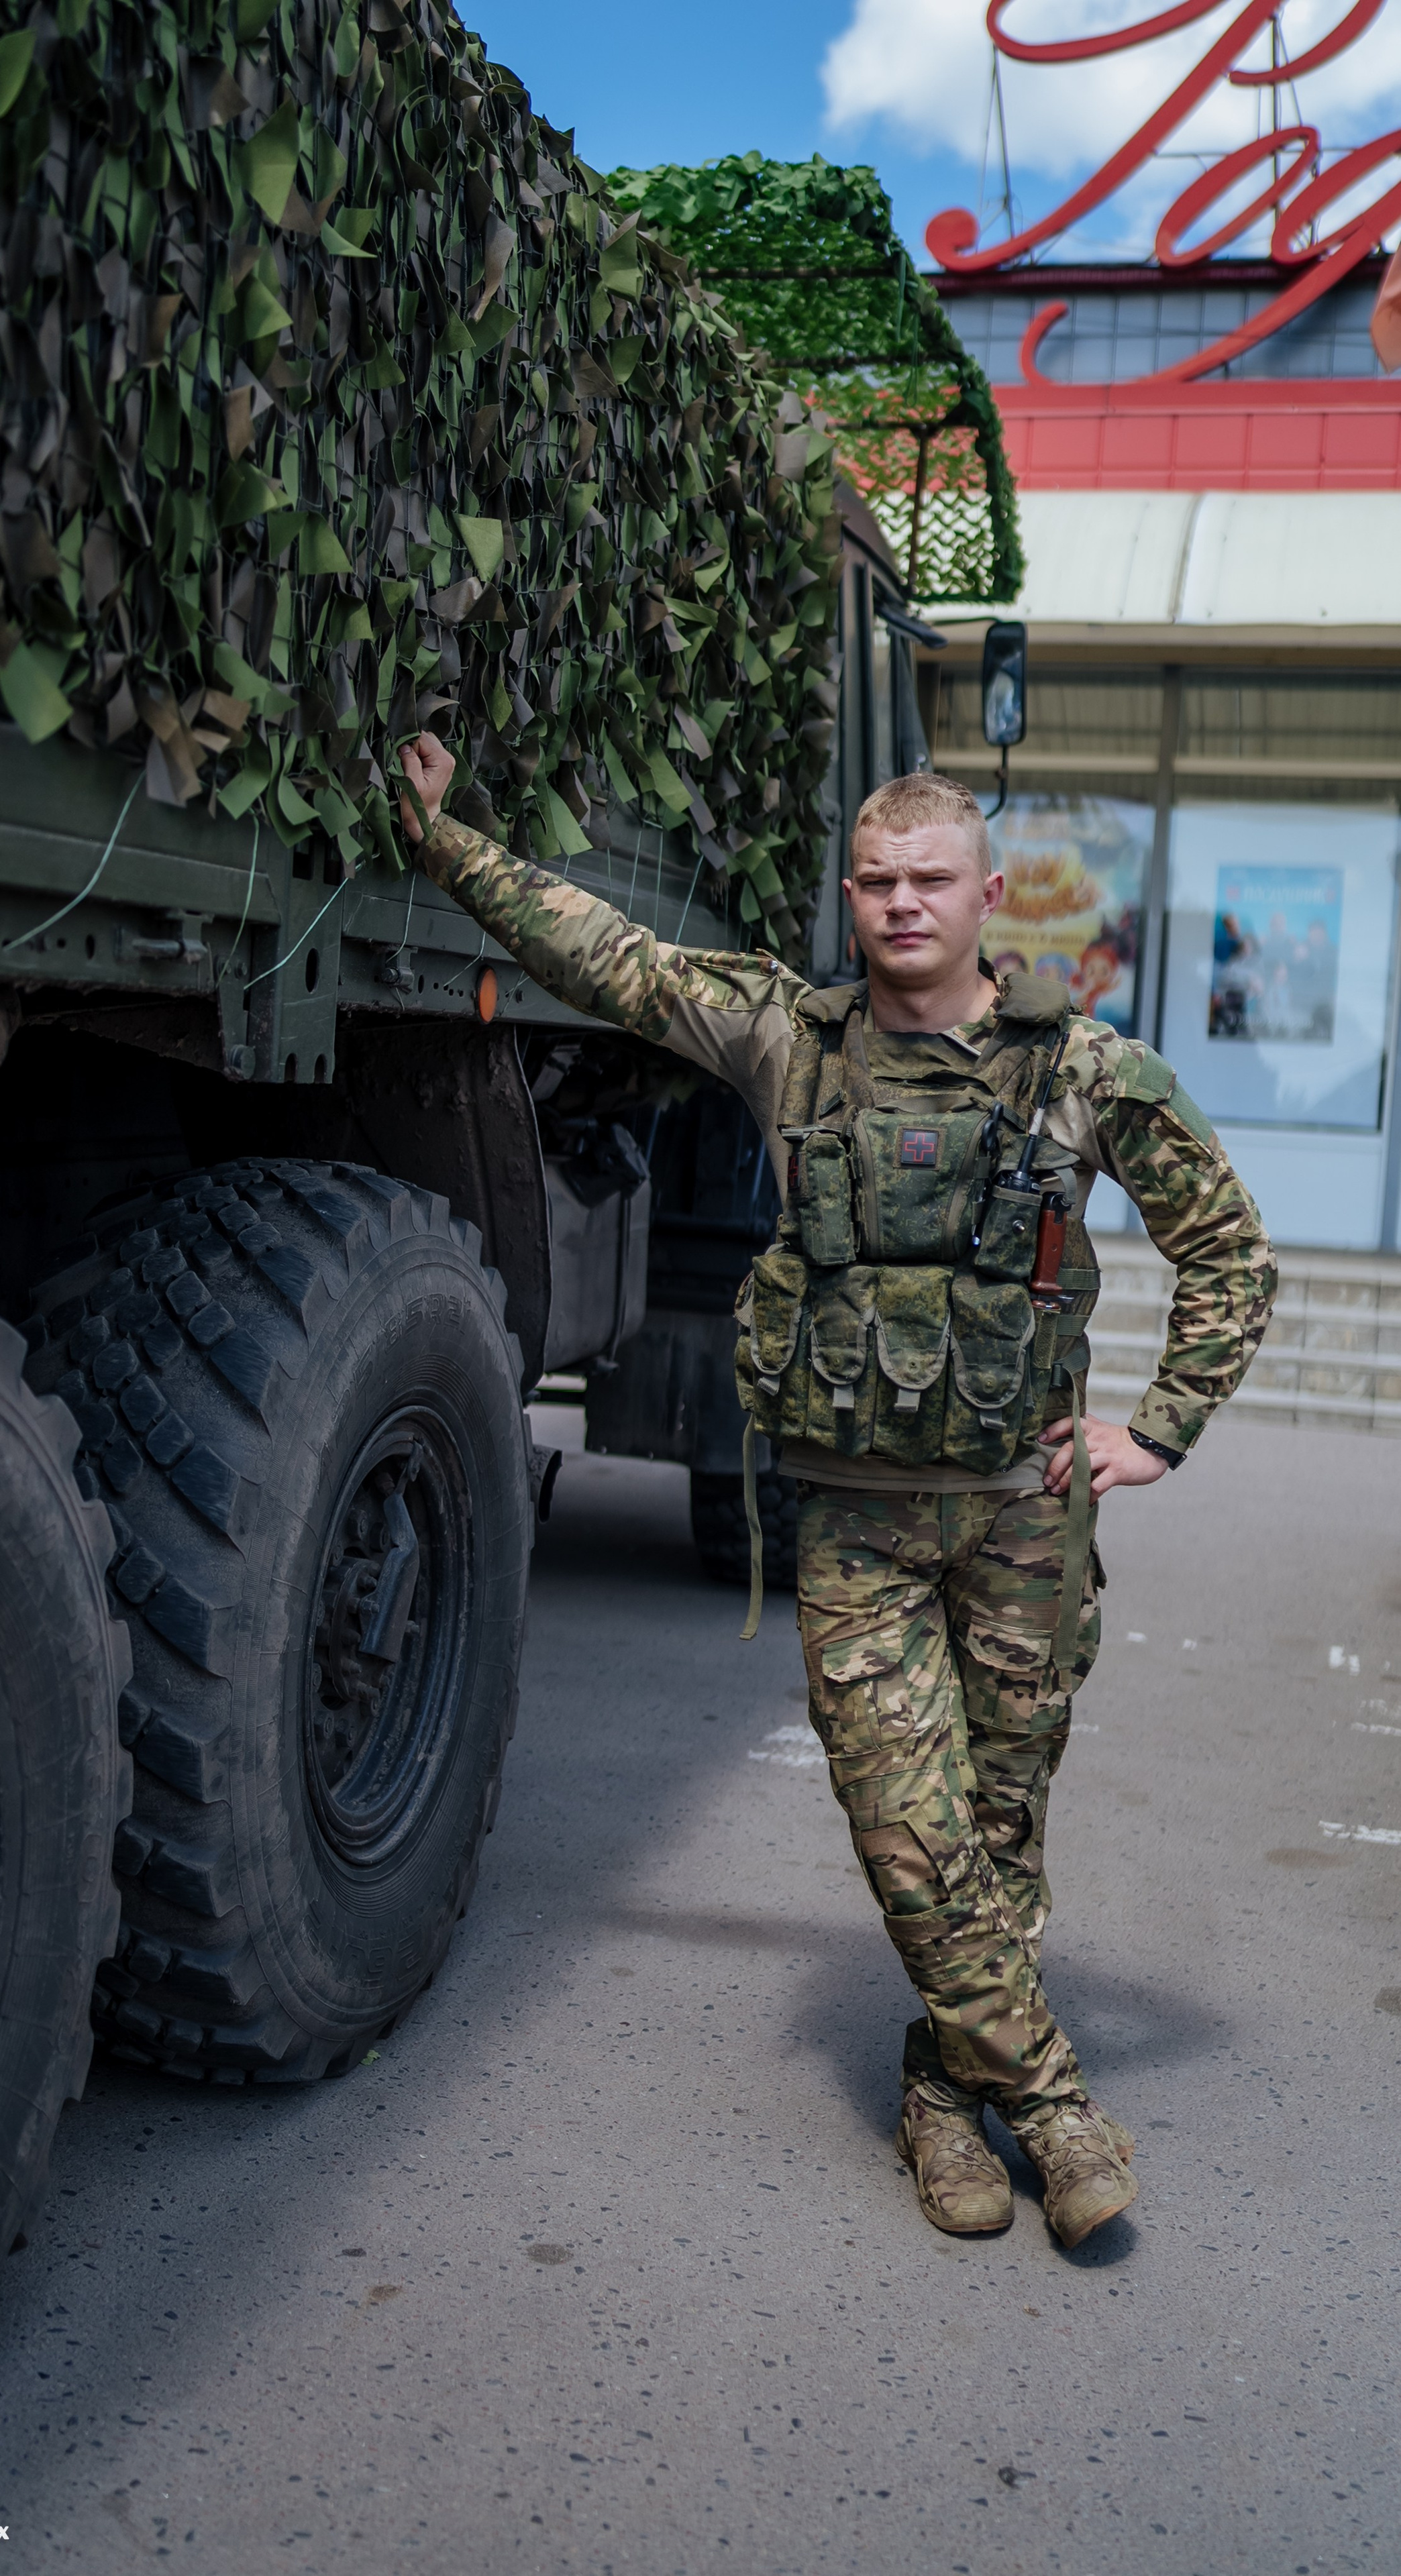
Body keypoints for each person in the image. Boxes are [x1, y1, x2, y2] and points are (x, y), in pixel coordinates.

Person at [397, 743, 1276, 2252]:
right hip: (855, 1525)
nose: (898, 905)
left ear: (988, 896)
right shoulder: (786, 1043)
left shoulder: (1080, 1071)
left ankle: (942, 2104)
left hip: (1020, 1520)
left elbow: (1229, 1252)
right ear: (850, 895)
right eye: (873, 881)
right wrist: (447, 845)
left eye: (929, 880)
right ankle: (1055, 2109)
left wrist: (1157, 1430)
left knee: (993, 1839)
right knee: (907, 1832)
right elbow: (606, 954)